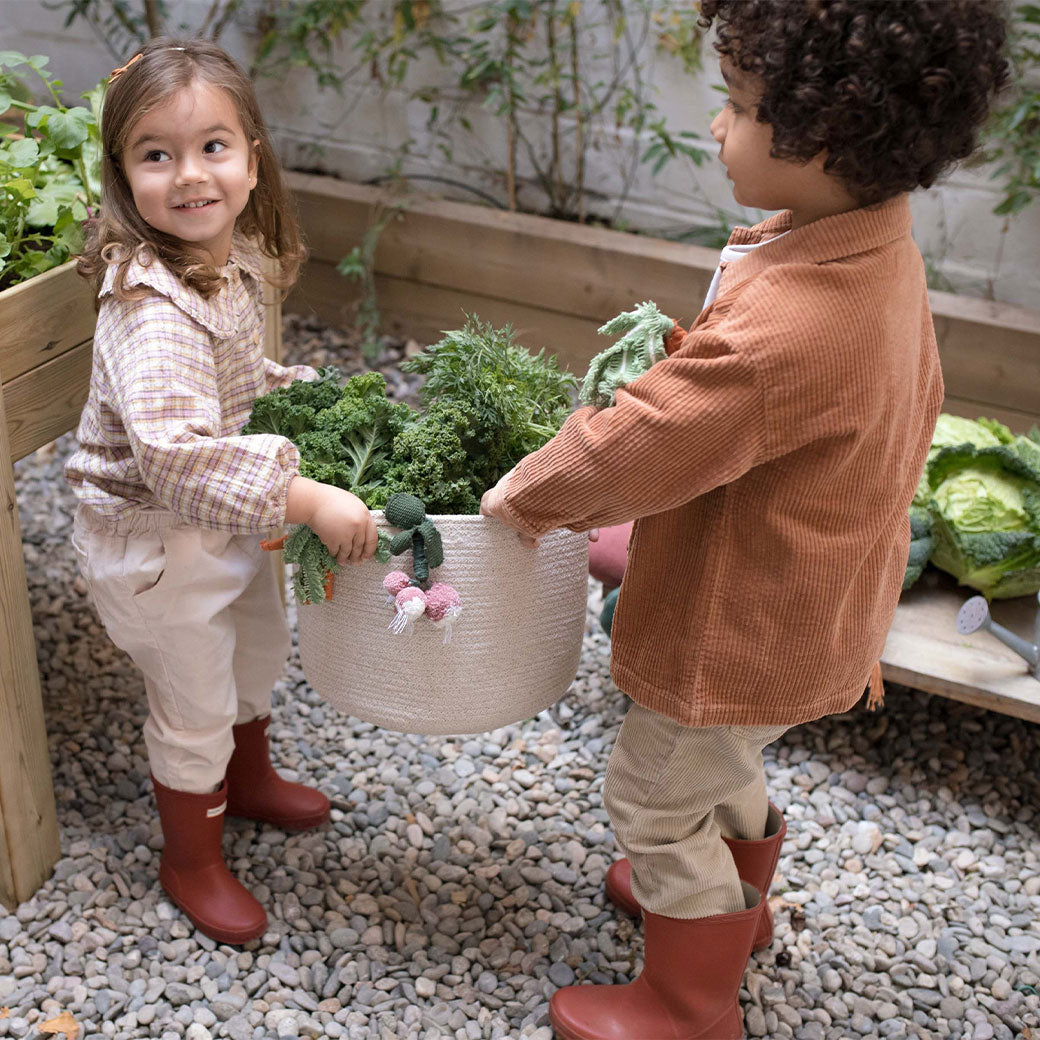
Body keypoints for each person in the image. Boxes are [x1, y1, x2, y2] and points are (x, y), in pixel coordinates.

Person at [480, 2, 1009, 1037]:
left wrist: (526, 494)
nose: (717, 128)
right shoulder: (871, 254)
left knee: (654, 790)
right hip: (810, 604)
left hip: (738, 622)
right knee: (721, 764)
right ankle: (731, 904)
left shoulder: (793, 322)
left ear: (825, 135)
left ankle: (688, 998)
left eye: (737, 105)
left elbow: (652, 433)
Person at [65, 38, 378, 945]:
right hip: (158, 542)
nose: (189, 175)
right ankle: (190, 857)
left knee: (251, 647)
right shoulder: (148, 306)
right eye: (155, 154)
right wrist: (309, 493)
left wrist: (291, 390)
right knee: (193, 695)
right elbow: (176, 452)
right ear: (125, 177)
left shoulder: (223, 259)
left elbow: (229, 380)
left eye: (213, 147)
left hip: (220, 522)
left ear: (250, 163)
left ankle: (247, 780)